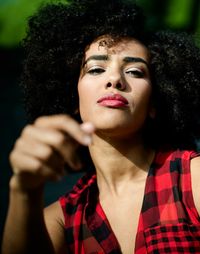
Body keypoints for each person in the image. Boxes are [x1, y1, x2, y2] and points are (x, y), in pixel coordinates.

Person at [2, 0, 200, 253]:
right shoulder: (60, 221)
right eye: (96, 69)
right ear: (72, 98)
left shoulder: (193, 179)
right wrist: (23, 189)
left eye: (135, 72)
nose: (115, 79)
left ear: (155, 102)